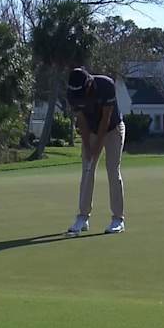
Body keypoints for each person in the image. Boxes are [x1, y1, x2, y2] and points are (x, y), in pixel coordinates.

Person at [65, 67, 126, 235]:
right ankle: (82, 218)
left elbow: (105, 120)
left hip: (113, 129)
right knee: (87, 170)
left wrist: (97, 147)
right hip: (90, 130)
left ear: (89, 83)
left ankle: (118, 219)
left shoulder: (106, 85)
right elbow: (82, 123)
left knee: (113, 170)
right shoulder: (72, 94)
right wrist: (87, 147)